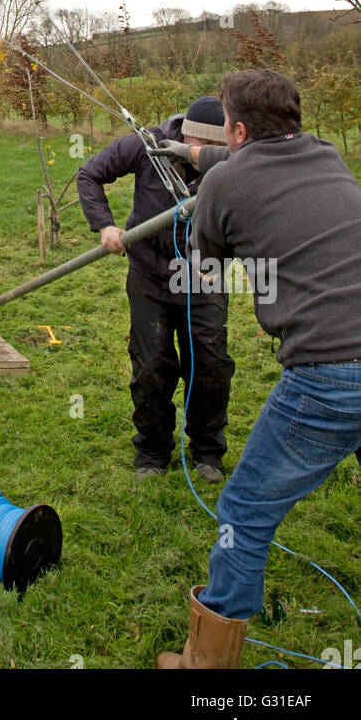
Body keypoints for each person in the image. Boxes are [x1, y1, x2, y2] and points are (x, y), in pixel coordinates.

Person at [158, 68, 361, 669]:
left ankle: (207, 664)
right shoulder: (328, 156)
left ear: (238, 129)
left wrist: (206, 200)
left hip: (330, 373)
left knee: (243, 511)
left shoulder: (224, 180)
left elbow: (207, 275)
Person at [76, 96, 231, 481]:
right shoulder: (148, 145)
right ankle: (152, 451)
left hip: (205, 273)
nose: (207, 156)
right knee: (151, 366)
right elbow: (89, 174)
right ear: (189, 135)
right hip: (150, 272)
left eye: (218, 150)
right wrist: (105, 226)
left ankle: (208, 452)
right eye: (203, 148)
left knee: (209, 364)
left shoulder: (237, 158)